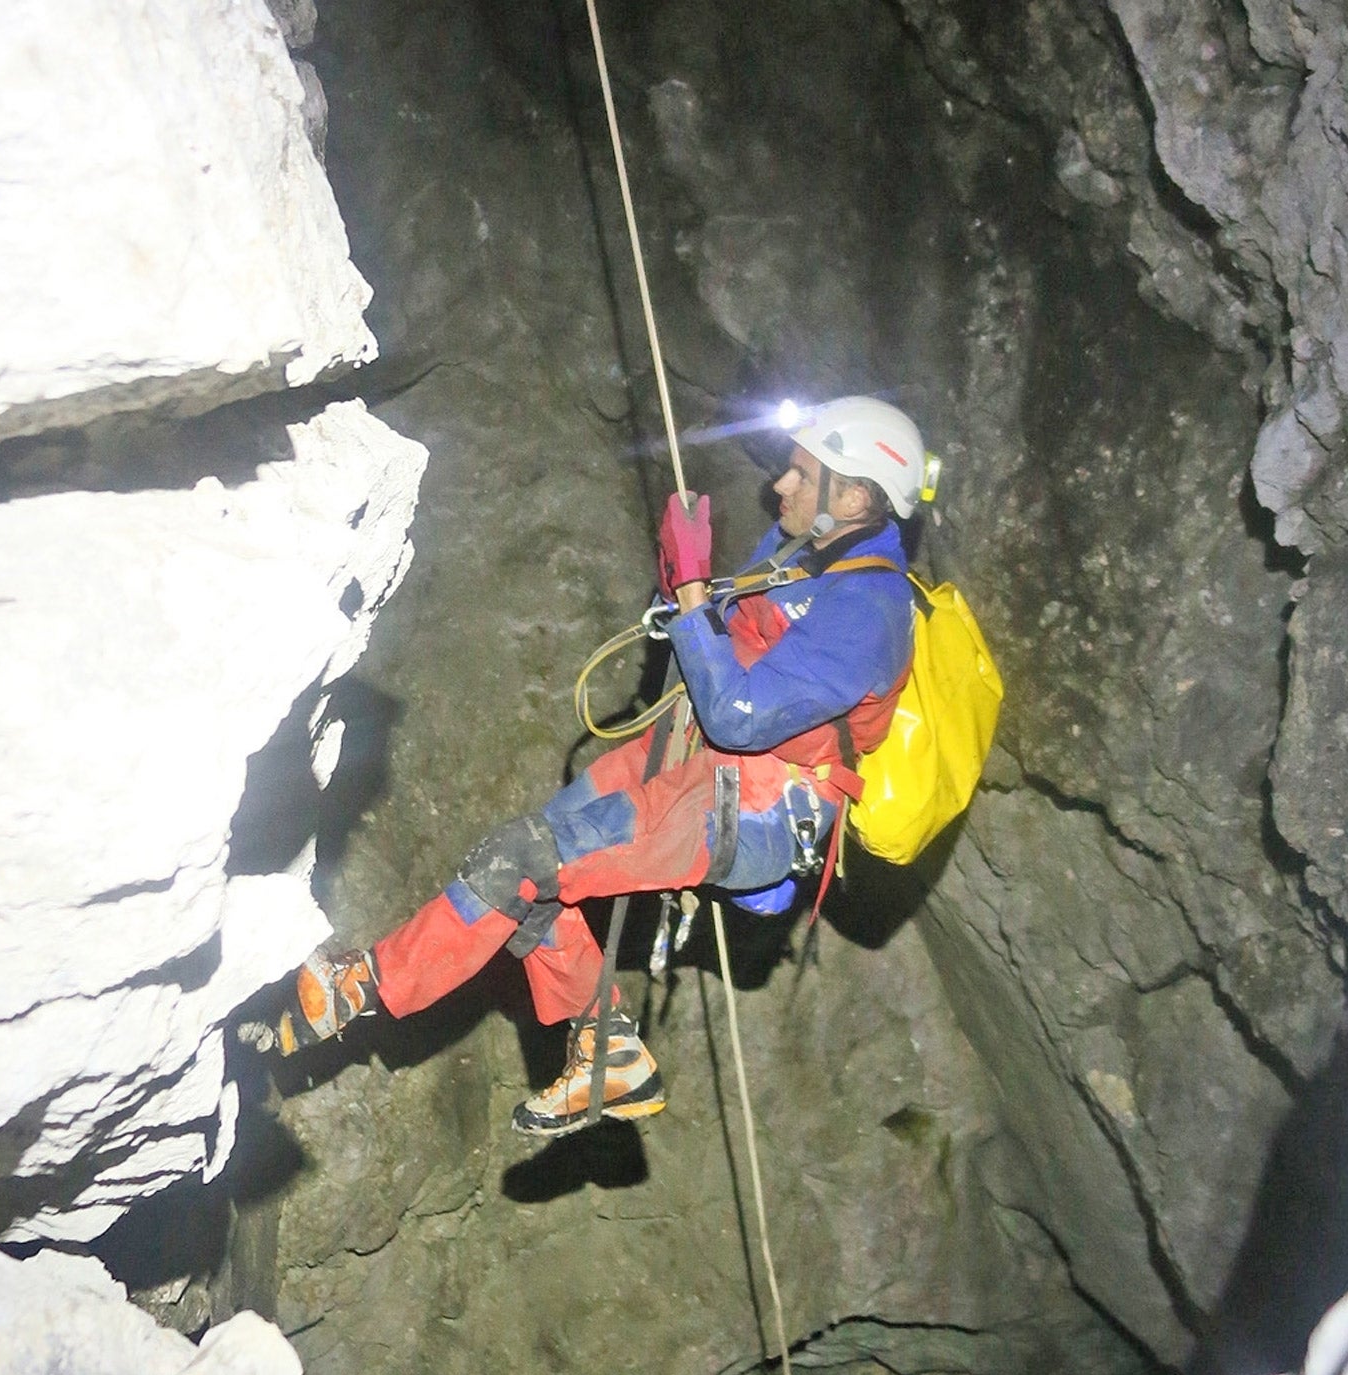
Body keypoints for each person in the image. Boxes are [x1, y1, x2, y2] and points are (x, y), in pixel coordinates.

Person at [282, 397, 930, 1137]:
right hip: (690, 762)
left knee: (523, 861)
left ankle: (362, 988)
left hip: (755, 807)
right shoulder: (800, 556)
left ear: (853, 496)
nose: (780, 485)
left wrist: (690, 595)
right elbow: (715, 641)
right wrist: (680, 584)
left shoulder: (867, 611)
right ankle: (608, 1054)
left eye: (803, 473)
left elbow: (740, 715)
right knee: (524, 860)